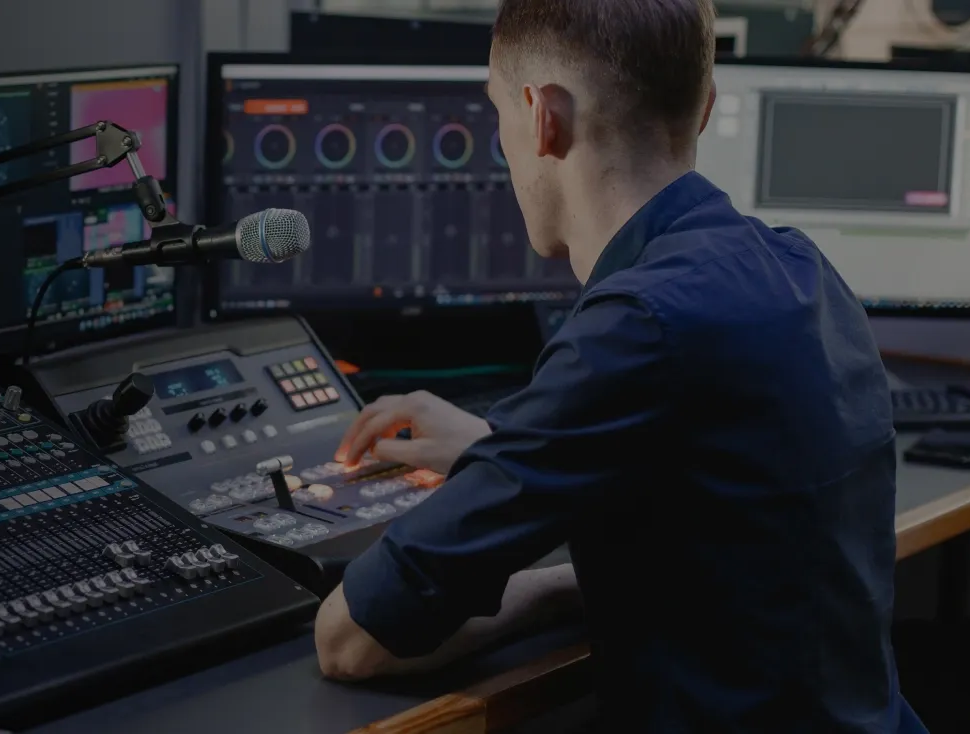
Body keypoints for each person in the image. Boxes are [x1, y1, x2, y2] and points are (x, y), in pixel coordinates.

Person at [311, 0, 926, 731]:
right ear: (705, 107)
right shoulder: (800, 266)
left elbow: (351, 640)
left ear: (542, 117)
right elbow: (731, 525)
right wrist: (499, 446)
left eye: (497, 112)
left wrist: (545, 588)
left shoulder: (637, 327)